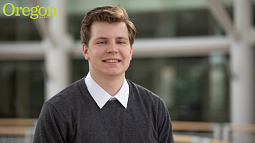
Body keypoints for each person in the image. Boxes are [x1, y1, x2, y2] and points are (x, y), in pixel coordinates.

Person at [33, 5, 175, 143]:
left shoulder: (155, 107)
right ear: (85, 50)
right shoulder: (57, 111)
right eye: (102, 42)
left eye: (120, 41)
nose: (113, 49)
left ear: (130, 51)